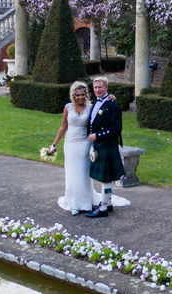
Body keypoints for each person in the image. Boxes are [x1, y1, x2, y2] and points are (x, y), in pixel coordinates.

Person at [48, 82, 128, 216]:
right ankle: (74, 203)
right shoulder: (68, 107)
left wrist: (111, 97)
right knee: (71, 174)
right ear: (73, 96)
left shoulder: (91, 107)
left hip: (85, 143)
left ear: (86, 95)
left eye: (82, 94)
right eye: (77, 95)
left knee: (84, 174)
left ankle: (86, 202)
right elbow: (63, 127)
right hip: (70, 144)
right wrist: (54, 144)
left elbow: (104, 111)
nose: (80, 97)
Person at [85, 77, 125, 218]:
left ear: (106, 87)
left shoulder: (113, 105)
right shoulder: (95, 102)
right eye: (95, 87)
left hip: (107, 144)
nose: (97, 90)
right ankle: (108, 204)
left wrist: (98, 135)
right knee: (106, 178)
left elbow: (116, 129)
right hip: (99, 145)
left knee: (106, 179)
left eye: (100, 87)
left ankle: (102, 208)